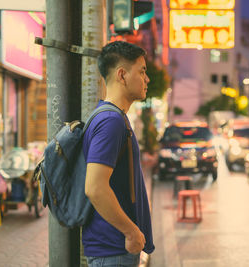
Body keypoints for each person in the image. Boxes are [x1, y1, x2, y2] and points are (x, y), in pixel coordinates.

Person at [83, 41, 154, 267]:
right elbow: (95, 187)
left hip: (114, 250)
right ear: (122, 75)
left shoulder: (112, 117)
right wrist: (132, 232)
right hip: (113, 251)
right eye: (142, 71)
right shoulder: (110, 122)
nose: (147, 79)